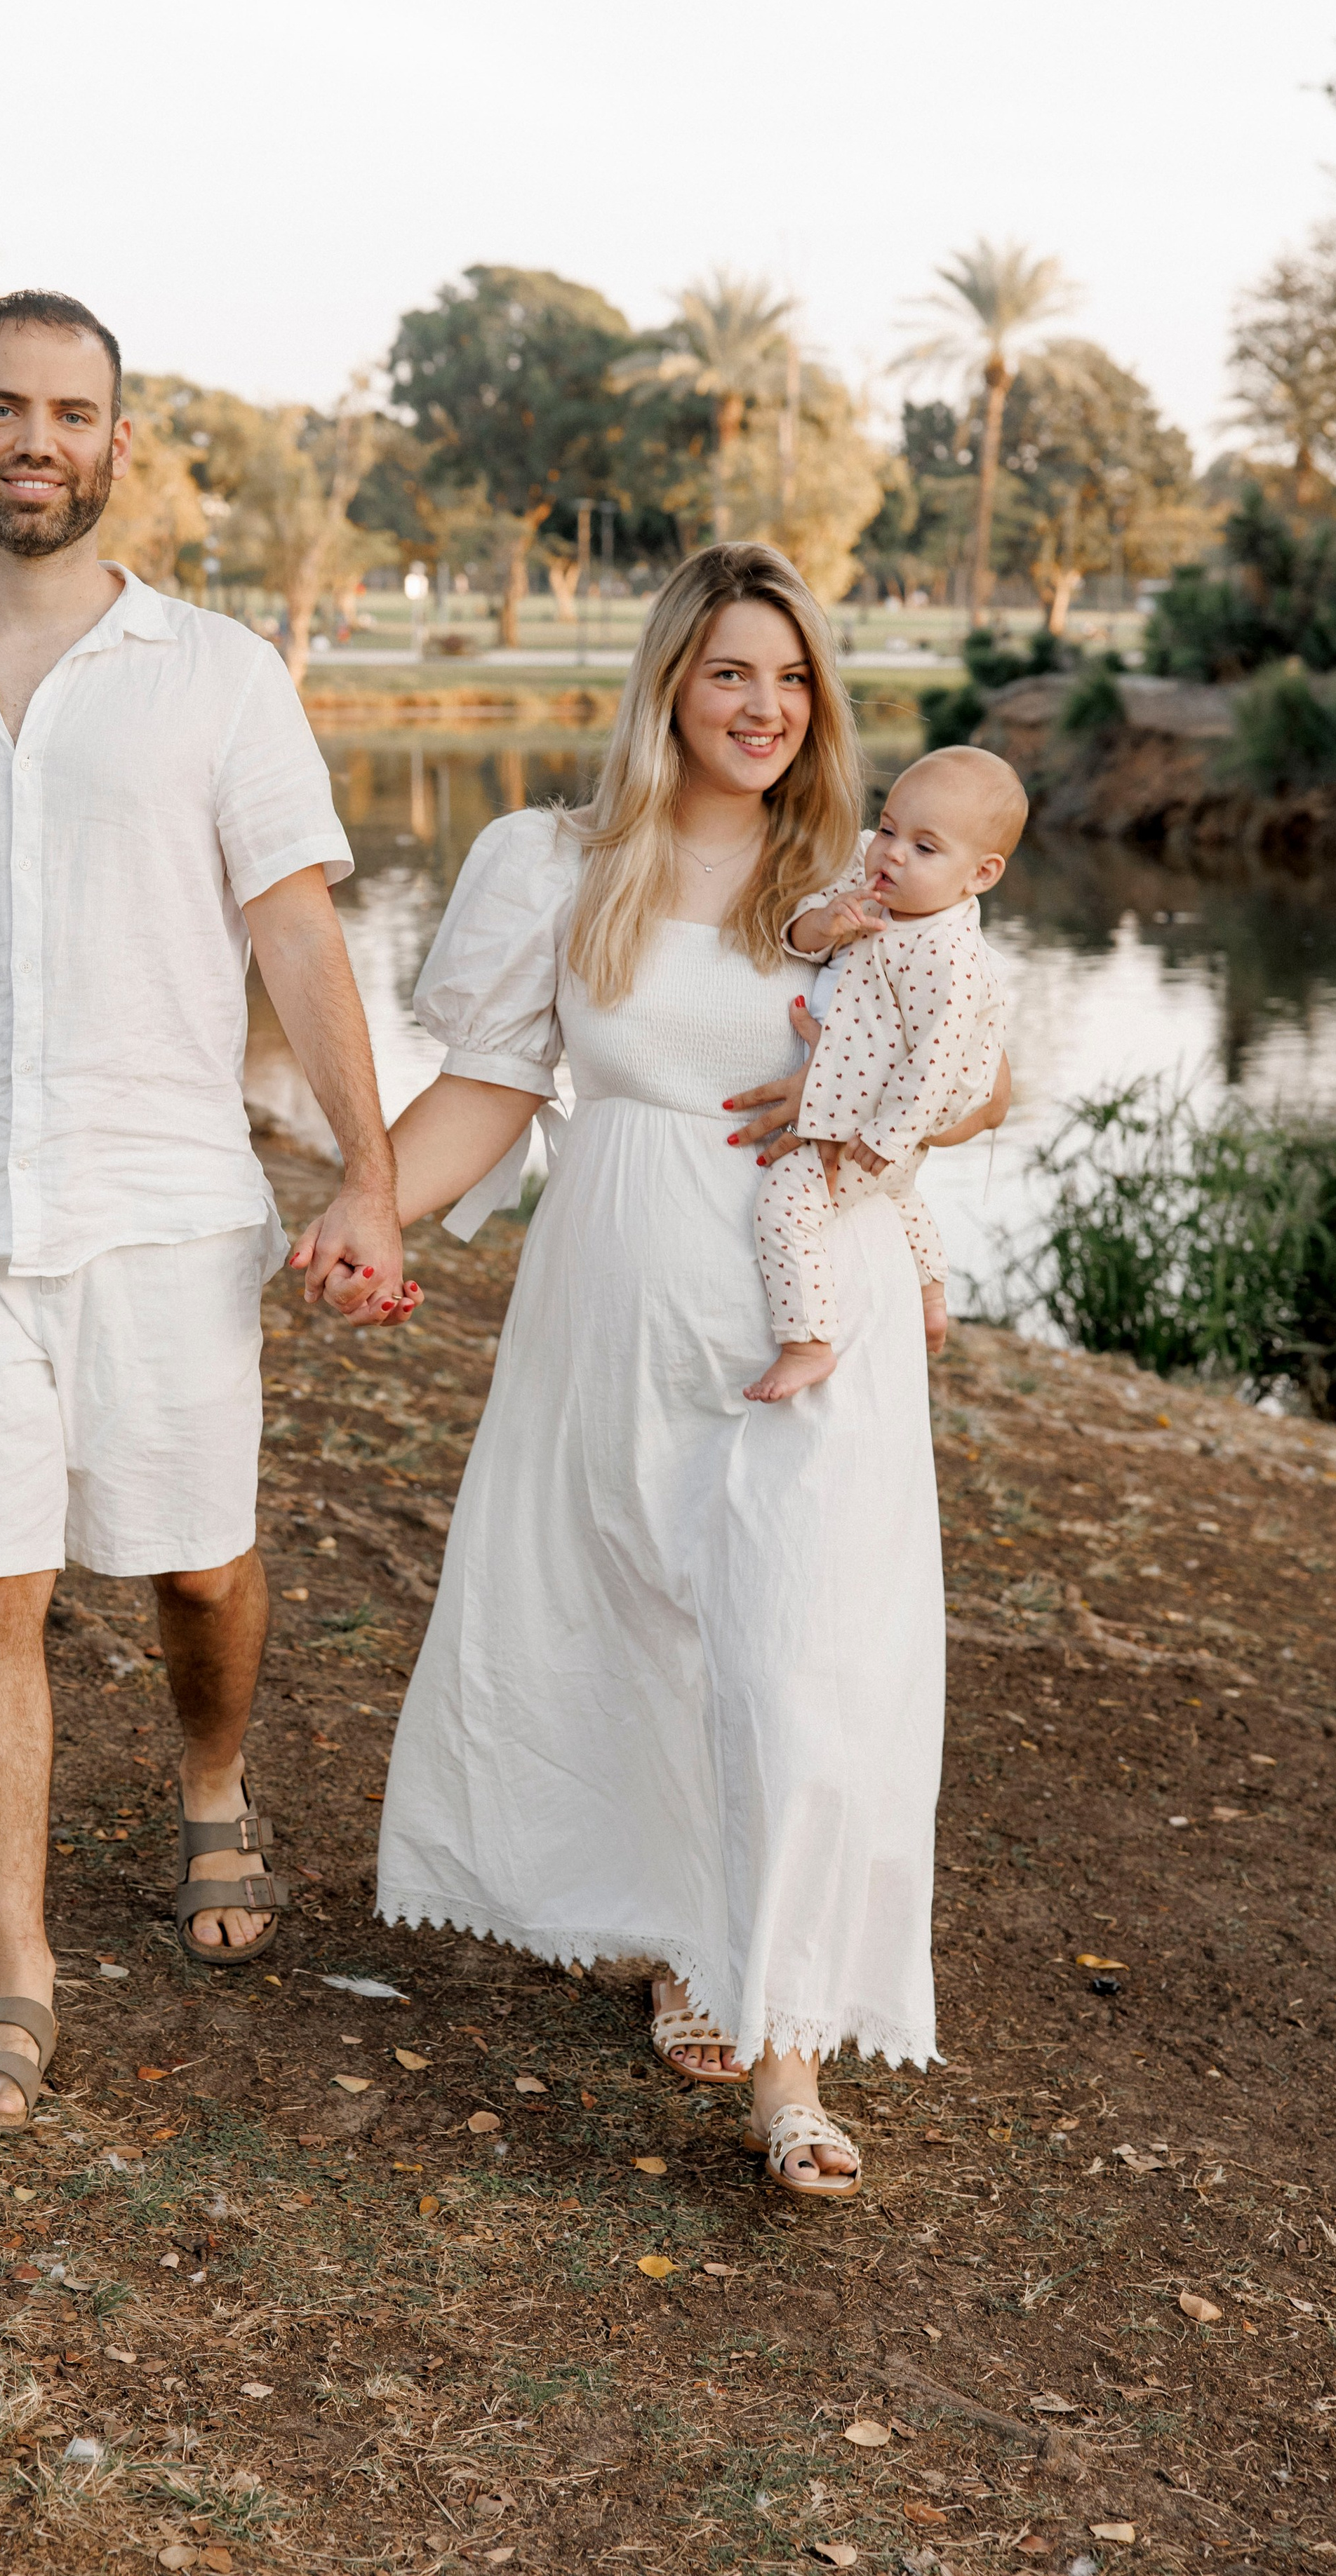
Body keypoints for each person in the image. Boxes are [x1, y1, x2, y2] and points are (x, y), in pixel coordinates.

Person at [298, 542, 1008, 2197]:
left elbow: (979, 1070)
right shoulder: (555, 862)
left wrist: (852, 1114)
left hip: (799, 1301)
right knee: (633, 1605)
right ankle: (686, 1919)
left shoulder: (862, 868)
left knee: (795, 1644)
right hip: (614, 1284)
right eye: (728, 672)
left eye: (790, 675)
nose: (764, 705)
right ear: (670, 684)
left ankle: (787, 2067)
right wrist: (365, 1205)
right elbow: (488, 1084)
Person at [0, 288, 414, 2135]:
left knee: (196, 1561)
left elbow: (295, 931)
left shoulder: (218, 673)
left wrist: (369, 1173)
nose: (38, 440)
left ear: (120, 444)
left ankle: (212, 1783)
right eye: (6, 408)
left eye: (74, 411)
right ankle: (17, 1977)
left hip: (168, 1201)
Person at [746, 744, 1024, 1402]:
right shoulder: (875, 890)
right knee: (899, 1199)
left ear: (980, 874)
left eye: (925, 848)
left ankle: (808, 1341)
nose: (891, 853)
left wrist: (883, 1141)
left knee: (786, 1206)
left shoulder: (950, 958)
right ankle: (931, 1291)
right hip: (876, 1131)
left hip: (872, 1128)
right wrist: (824, 923)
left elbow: (933, 1065)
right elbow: (793, 938)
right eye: (891, 828)